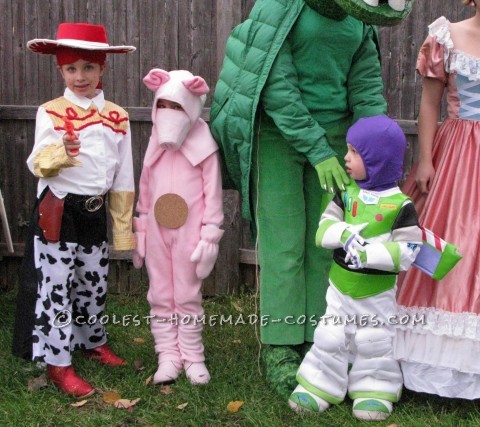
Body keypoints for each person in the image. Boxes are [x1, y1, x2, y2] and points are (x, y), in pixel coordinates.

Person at [210, 0, 389, 399]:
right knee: (284, 243)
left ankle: (319, 340)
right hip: (279, 134)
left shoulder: (361, 15)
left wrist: (375, 146)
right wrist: (317, 150)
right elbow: (274, 84)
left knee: (325, 243)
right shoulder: (281, 6)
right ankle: (280, 345)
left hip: (337, 140)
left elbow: (366, 85)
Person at [11, 23, 136, 398]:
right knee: (56, 289)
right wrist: (63, 150)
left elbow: (124, 174)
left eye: (88, 67)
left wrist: (123, 228)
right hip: (59, 213)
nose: (80, 76)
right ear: (60, 71)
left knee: (93, 284)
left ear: (102, 69)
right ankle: (57, 362)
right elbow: (37, 164)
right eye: (71, 68)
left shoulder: (119, 117)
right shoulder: (50, 112)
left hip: (95, 213)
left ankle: (91, 342)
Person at [288, 115, 422, 421]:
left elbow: (410, 250)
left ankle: (374, 388)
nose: (346, 158)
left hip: (377, 292)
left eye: (354, 152)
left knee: (374, 339)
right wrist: (344, 234)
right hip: (340, 286)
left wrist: (371, 254)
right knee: (330, 335)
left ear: (377, 158)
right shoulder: (346, 193)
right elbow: (323, 232)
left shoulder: (401, 205)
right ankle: (319, 384)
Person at [395, 0, 480, 399]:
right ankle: (435, 366)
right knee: (451, 243)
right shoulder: (446, 37)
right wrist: (426, 159)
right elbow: (429, 104)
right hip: (458, 159)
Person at [132, 69, 223, 385]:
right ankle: (167, 355)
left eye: (177, 107)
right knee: (159, 293)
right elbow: (145, 185)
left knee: (186, 293)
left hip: (189, 234)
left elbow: (212, 191)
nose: (169, 114)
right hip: (157, 232)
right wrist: (141, 228)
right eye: (163, 106)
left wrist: (210, 233)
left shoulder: (204, 146)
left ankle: (193, 355)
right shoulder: (155, 143)